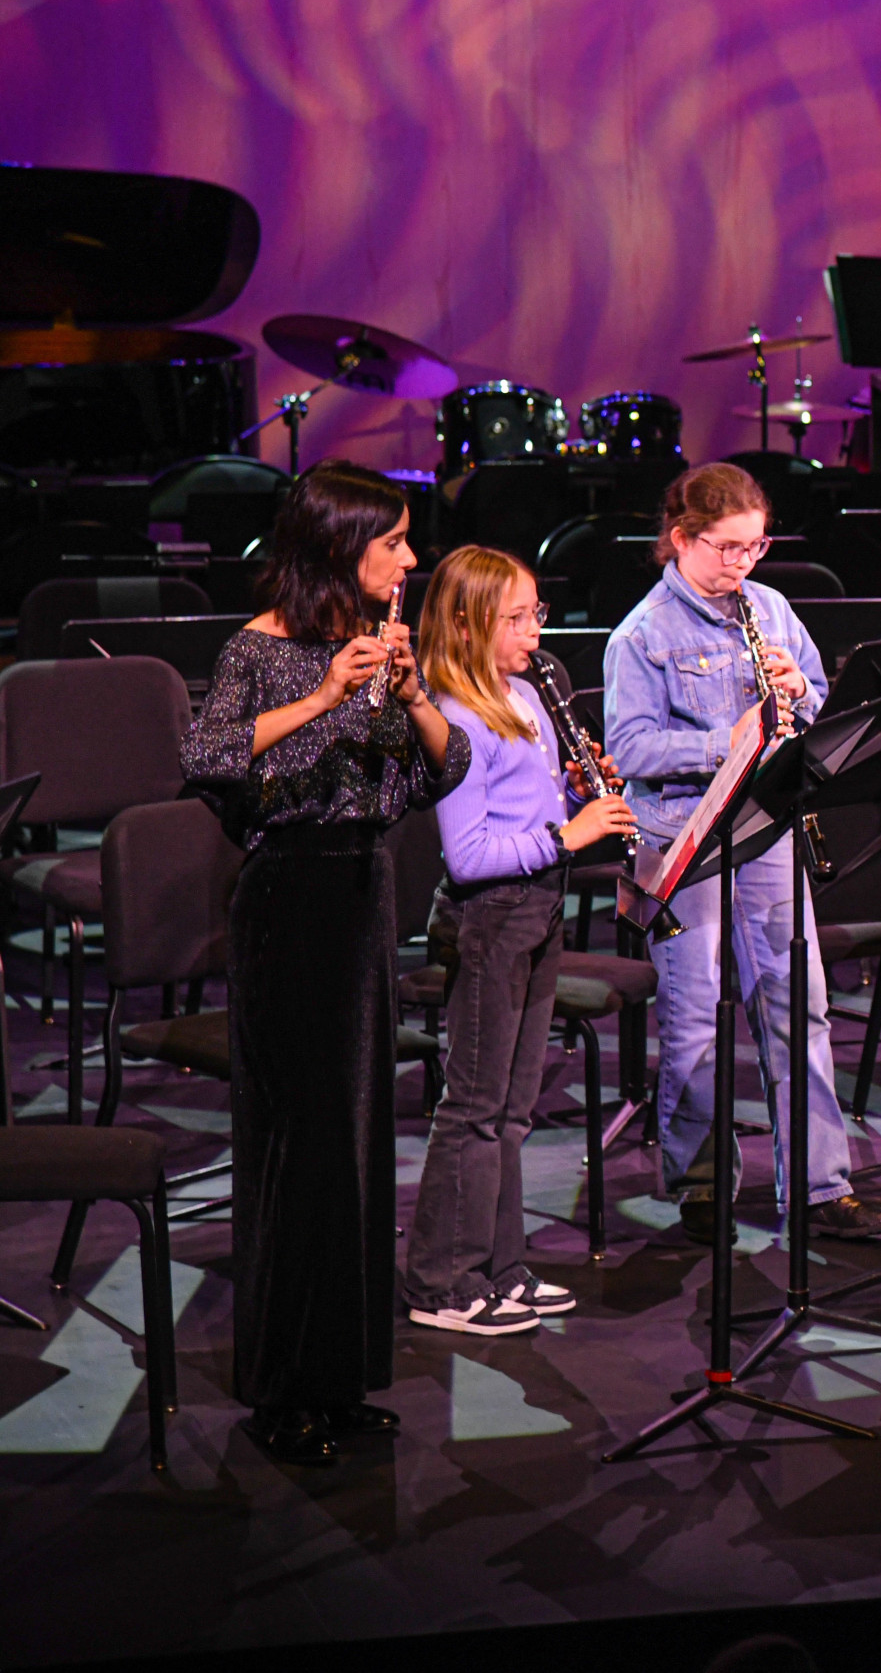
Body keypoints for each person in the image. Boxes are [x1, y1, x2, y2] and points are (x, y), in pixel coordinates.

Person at [181, 460, 468, 1465]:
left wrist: (413, 693)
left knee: (356, 1145)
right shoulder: (259, 648)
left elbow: (441, 767)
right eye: (393, 540)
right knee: (296, 1149)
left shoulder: (380, 642)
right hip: (289, 899)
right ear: (341, 546)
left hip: (362, 893)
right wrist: (325, 695)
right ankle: (282, 1389)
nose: (410, 557)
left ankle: (340, 1380)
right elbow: (207, 758)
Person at [603, 463, 881, 1246]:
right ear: (681, 540)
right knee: (695, 1013)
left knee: (798, 1001)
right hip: (685, 838)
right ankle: (702, 1185)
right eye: (727, 548)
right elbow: (630, 748)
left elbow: (824, 706)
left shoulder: (770, 608)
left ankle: (820, 1187)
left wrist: (801, 692)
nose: (743, 563)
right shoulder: (642, 634)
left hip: (767, 829)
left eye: (756, 546)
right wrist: (723, 743)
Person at [403, 546, 637, 1335]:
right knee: (473, 1107)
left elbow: (526, 809)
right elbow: (469, 855)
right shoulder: (457, 717)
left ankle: (499, 1267)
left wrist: (572, 791)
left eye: (536, 613)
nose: (536, 633)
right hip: (490, 918)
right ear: (467, 624)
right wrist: (568, 834)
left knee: (513, 1110)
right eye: (517, 619)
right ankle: (441, 1280)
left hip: (539, 907)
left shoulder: (528, 694)